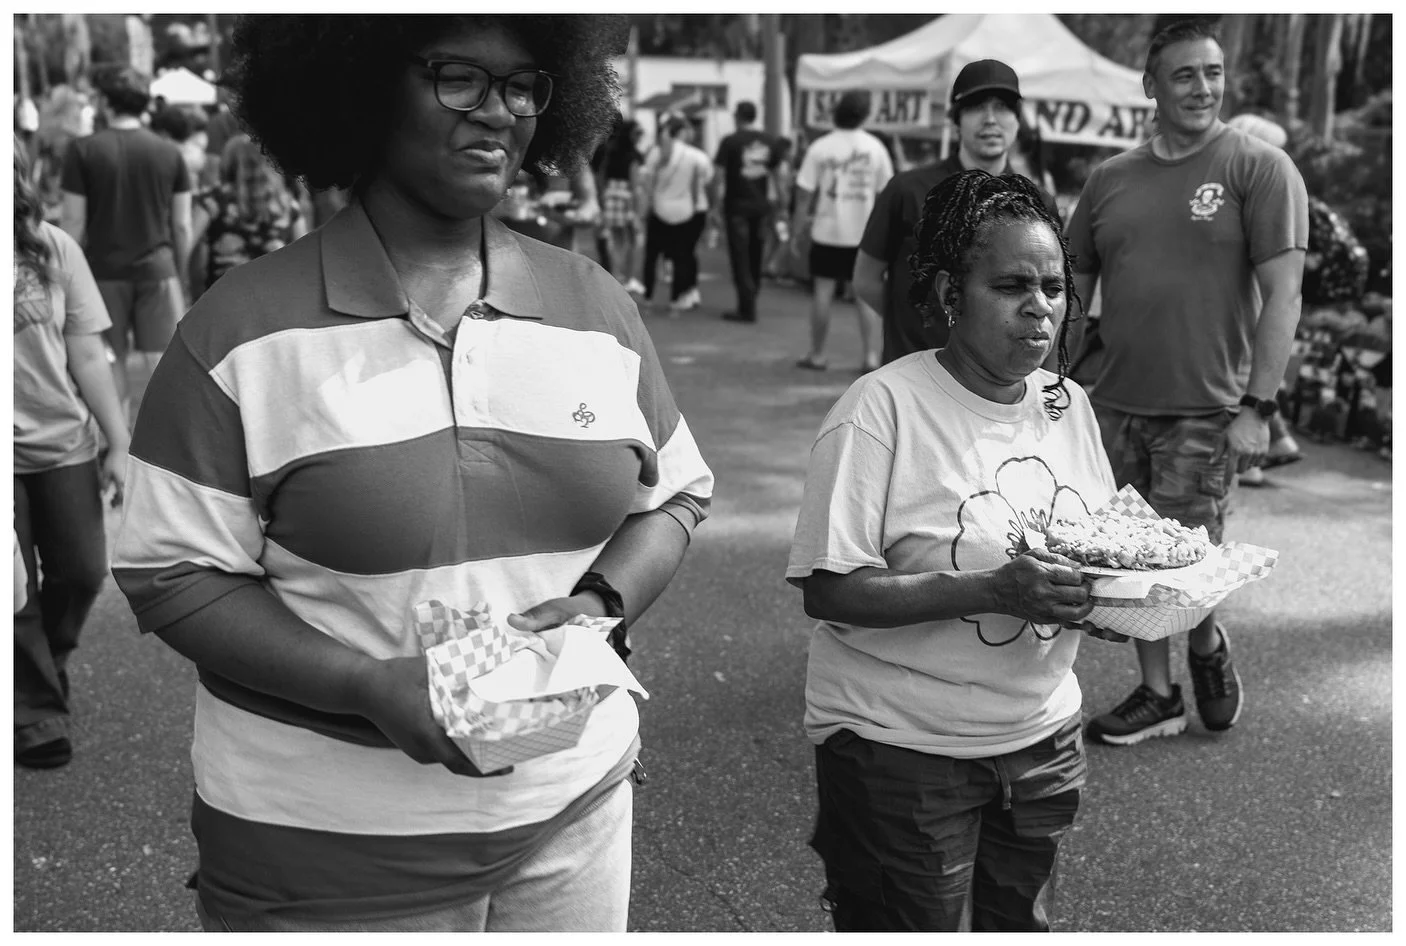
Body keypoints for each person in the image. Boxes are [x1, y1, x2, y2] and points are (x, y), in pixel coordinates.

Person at [110, 14, 713, 932]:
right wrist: (364, 685)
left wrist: (600, 606)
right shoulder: (237, 331)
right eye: (459, 77)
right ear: (360, 85)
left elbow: (671, 495)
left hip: (573, 813)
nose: (499, 112)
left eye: (522, 85)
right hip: (317, 848)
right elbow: (172, 575)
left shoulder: (595, 306)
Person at [787, 169, 1122, 931]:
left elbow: (1094, 551)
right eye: (1011, 285)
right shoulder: (881, 410)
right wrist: (995, 590)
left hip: (1041, 742)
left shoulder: (1069, 406)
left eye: (1054, 286)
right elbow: (830, 589)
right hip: (900, 748)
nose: (1040, 306)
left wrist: (1114, 603)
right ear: (948, 295)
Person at [1064, 19, 1308, 745]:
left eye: (1213, 72)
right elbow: (1074, 294)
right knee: (1133, 566)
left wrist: (1260, 407)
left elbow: (1284, 295)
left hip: (1208, 407)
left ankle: (1204, 644)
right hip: (1114, 404)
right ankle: (1158, 693)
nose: (1203, 87)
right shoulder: (1109, 180)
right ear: (1151, 87)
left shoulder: (1259, 168)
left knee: (1191, 565)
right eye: (1185, 75)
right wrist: (1051, 387)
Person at [14, 136, 131, 770]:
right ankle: (34, 713)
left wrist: (118, 442)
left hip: (62, 442)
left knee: (84, 571)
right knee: (13, 590)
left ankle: (42, 661)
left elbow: (87, 351)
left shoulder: (53, 248)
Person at [856, 59, 1061, 366]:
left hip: (999, 382)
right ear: (956, 120)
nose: (990, 119)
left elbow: (1051, 293)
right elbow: (865, 279)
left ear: (1018, 121)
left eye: (1003, 107)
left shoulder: (1037, 203)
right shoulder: (907, 190)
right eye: (977, 107)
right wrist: (916, 318)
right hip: (914, 369)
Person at [59, 65, 192, 418]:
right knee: (164, 363)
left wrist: (64, 279)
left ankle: (118, 445)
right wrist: (179, 273)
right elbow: (181, 225)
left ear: (105, 102)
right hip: (158, 270)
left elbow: (72, 221)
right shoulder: (170, 152)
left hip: (101, 273)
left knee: (108, 359)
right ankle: (165, 446)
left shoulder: (83, 151)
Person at [790, 90, 893, 372]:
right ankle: (871, 357)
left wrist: (796, 231)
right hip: (864, 235)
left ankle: (818, 353)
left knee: (822, 291)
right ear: (864, 115)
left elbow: (803, 194)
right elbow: (887, 195)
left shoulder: (820, 147)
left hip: (827, 231)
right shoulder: (875, 148)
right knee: (864, 294)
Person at [190, 134, 309, 295]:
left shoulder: (213, 201)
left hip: (223, 298)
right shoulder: (287, 205)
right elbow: (303, 259)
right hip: (274, 298)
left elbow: (189, 242)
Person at [711, 101, 779, 323]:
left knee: (740, 256)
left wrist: (714, 206)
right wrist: (781, 204)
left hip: (737, 206)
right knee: (756, 254)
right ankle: (752, 297)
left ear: (738, 116)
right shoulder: (770, 142)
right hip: (761, 206)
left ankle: (746, 307)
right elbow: (779, 175)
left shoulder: (730, 142)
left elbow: (719, 176)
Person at [638, 114, 712, 313]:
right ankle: (675, 300)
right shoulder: (696, 156)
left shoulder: (655, 153)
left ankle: (648, 297)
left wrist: (646, 207)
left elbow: (646, 182)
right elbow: (701, 185)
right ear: (682, 132)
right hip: (684, 212)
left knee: (651, 256)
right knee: (681, 256)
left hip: (659, 209)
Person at [761, 136, 796, 282]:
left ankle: (764, 266)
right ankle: (773, 268)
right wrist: (784, 207)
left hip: (768, 202)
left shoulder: (770, 164)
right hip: (778, 205)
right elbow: (781, 188)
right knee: (784, 237)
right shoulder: (782, 166)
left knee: (772, 237)